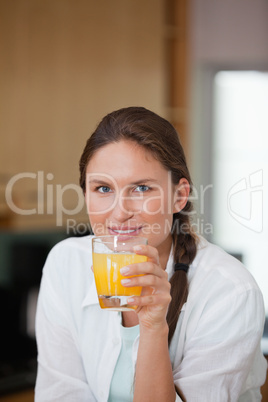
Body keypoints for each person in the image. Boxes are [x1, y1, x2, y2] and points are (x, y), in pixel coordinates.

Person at [35, 106, 267, 401]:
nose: (119, 213)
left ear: (179, 196)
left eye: (141, 188)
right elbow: (61, 394)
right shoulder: (65, 264)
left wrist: (154, 327)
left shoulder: (230, 292)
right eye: (103, 188)